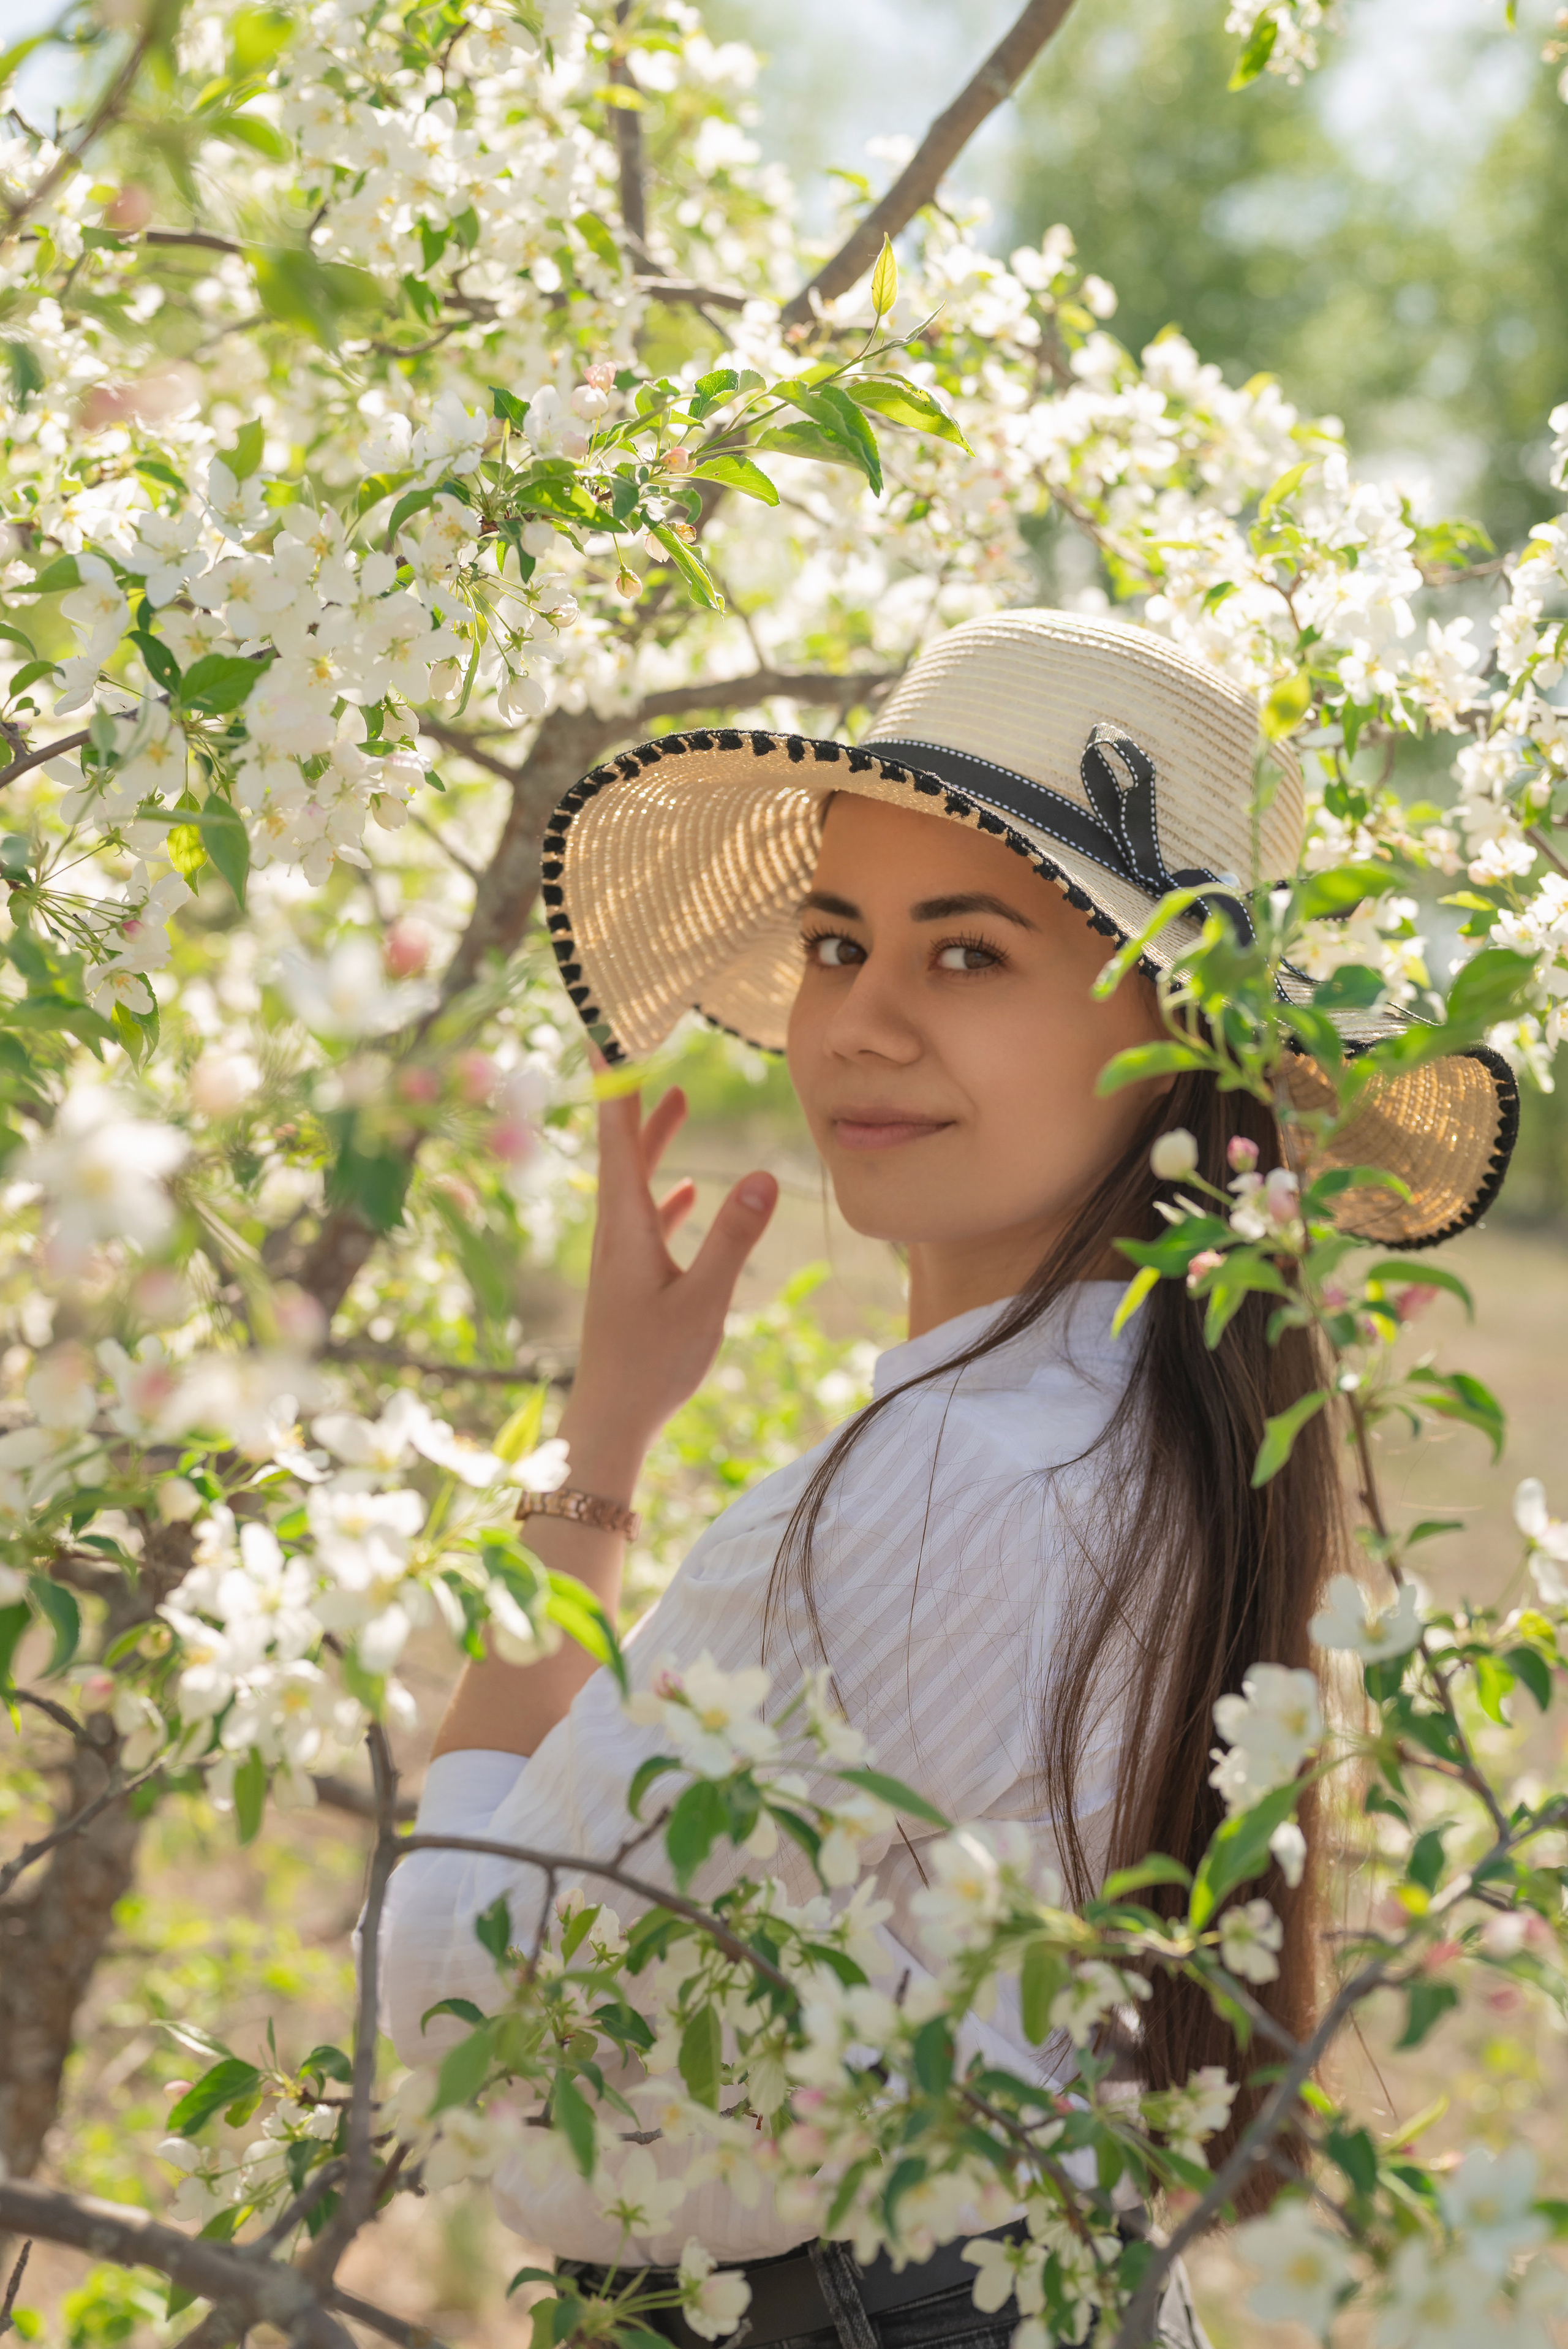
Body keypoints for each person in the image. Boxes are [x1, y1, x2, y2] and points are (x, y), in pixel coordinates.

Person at [380, 610, 1516, 2349]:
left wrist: (596, 1446)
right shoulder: (1151, 1422)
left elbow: (463, 2003)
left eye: (969, 955)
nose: (863, 1021)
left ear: (1170, 1037)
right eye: (838, 941)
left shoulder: (948, 1473)